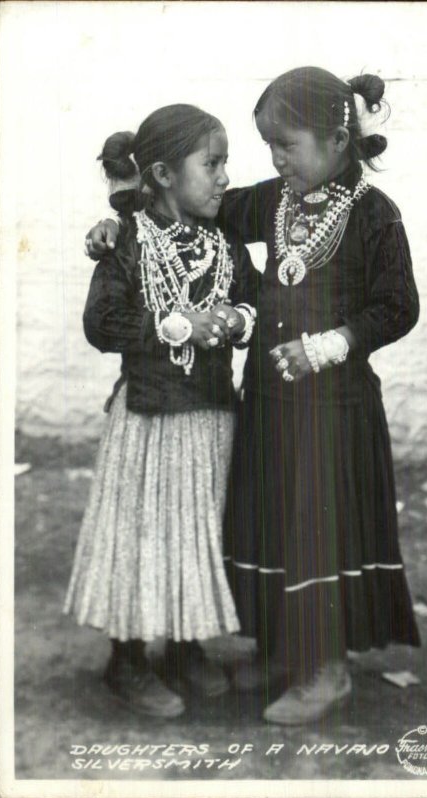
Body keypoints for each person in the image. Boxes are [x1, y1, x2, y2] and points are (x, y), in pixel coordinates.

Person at [84, 67, 421, 726]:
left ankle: (326, 670)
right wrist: (115, 217)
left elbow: (398, 305)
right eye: (267, 147)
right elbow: (187, 202)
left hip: (335, 410)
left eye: (286, 146)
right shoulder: (277, 200)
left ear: (335, 138)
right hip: (269, 402)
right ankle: (281, 649)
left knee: (320, 529)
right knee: (272, 523)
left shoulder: (374, 215)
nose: (273, 161)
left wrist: (330, 344)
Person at [64, 103, 259, 719]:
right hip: (147, 419)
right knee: (141, 535)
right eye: (213, 163)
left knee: (193, 533)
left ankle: (181, 646)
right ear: (164, 174)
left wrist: (233, 317)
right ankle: (126, 659)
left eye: (226, 162)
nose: (225, 176)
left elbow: (253, 299)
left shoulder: (224, 238)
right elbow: (102, 323)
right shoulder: (127, 241)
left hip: (209, 417)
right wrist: (177, 324)